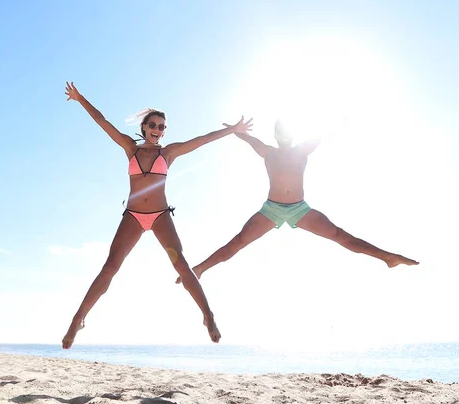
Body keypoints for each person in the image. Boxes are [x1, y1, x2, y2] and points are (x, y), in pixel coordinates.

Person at [61, 82, 252, 349]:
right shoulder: (131, 148)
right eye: (153, 125)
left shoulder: (168, 153)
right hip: (134, 216)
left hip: (161, 215)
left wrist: (232, 130)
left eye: (162, 127)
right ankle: (77, 319)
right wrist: (80, 98)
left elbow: (201, 141)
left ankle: (208, 316)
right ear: (144, 128)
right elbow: (102, 121)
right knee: (110, 267)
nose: (157, 131)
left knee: (182, 265)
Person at [178, 119, 418, 282]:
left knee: (339, 235)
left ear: (292, 134)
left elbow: (325, 133)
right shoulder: (268, 151)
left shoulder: (302, 150)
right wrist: (237, 130)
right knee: (239, 241)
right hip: (272, 208)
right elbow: (247, 138)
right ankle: (200, 269)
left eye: (287, 131)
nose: (283, 135)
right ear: (275, 135)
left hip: (299, 209)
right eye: (279, 132)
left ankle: (387, 257)